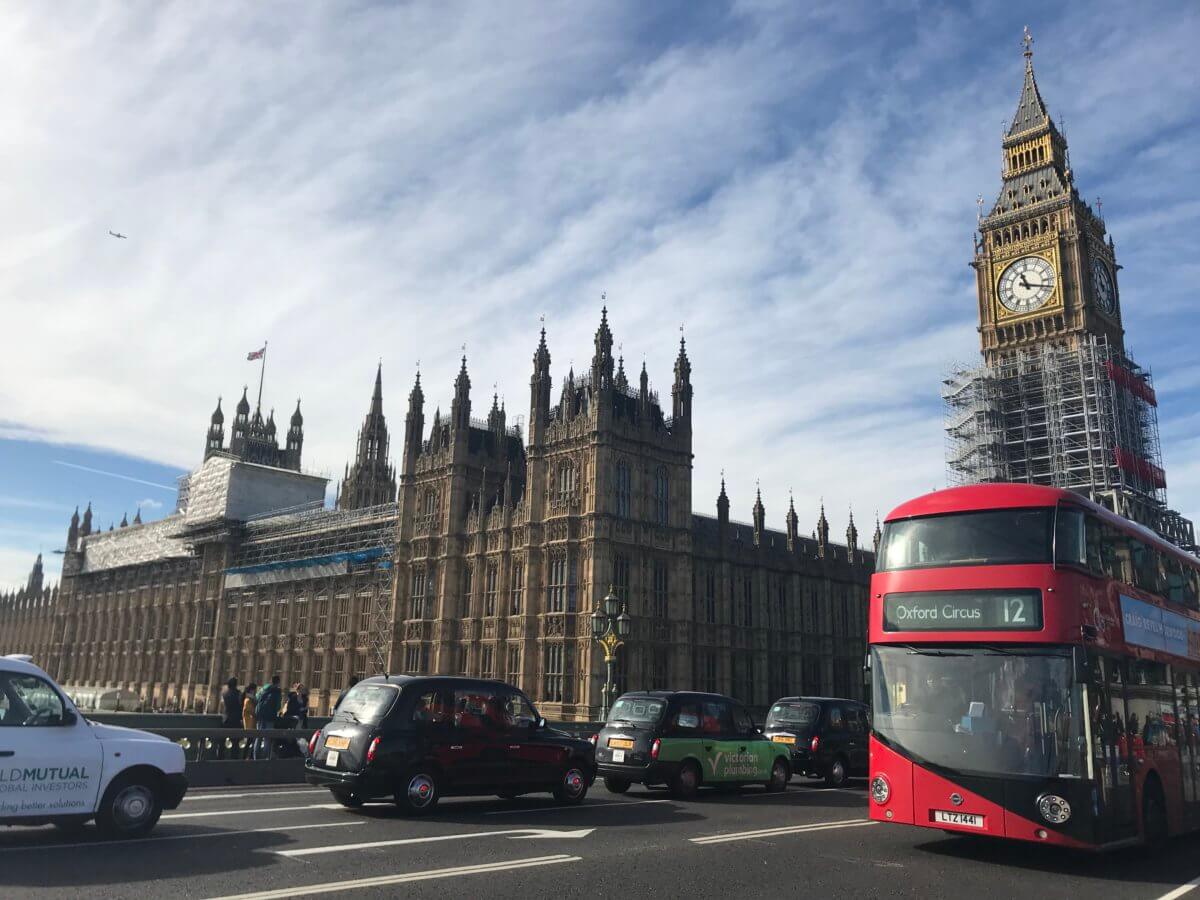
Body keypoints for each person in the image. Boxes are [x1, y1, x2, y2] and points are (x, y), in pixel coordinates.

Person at [255, 675, 283, 760]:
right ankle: (265, 757)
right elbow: (278, 706)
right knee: (267, 738)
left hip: (260, 716)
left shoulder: (264, 688)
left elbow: (257, 697)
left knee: (258, 737)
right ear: (278, 682)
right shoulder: (277, 691)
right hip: (270, 717)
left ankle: (255, 757)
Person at [241, 682, 258, 760]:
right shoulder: (248, 700)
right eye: (255, 690)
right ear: (252, 690)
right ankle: (246, 756)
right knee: (249, 742)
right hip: (249, 724)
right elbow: (253, 712)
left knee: (251, 741)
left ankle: (248, 756)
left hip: (252, 723)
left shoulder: (251, 699)